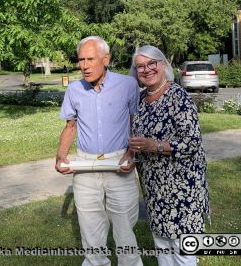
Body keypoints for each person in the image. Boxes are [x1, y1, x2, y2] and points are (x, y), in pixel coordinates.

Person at [55, 36, 143, 266]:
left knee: (125, 229)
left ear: (106, 59)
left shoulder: (127, 85)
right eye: (81, 59)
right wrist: (60, 157)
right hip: (85, 167)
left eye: (90, 59)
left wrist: (131, 154)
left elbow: (136, 122)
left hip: (119, 164)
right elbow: (70, 126)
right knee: (91, 233)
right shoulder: (74, 89)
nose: (84, 65)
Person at [128, 45, 210, 266]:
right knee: (162, 246)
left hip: (182, 188)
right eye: (140, 67)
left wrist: (152, 145)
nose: (145, 70)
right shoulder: (142, 99)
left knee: (182, 252)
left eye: (151, 64)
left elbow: (192, 142)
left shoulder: (178, 97)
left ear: (163, 64)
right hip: (155, 188)